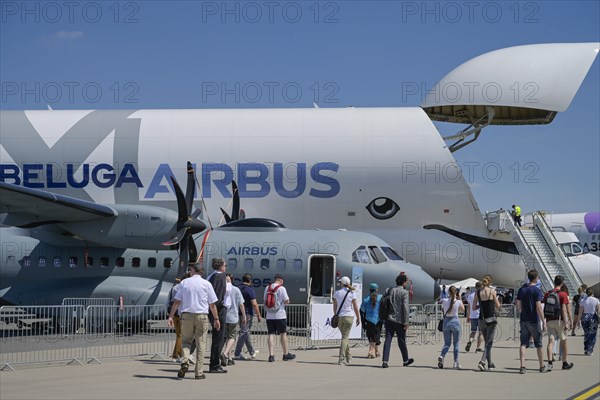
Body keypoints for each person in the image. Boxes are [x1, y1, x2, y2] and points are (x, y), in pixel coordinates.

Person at [167, 263, 220, 380]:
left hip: (186, 316)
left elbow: (176, 302)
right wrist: (216, 319)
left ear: (192, 270)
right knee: (201, 344)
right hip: (202, 316)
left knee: (186, 341)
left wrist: (171, 316)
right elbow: (212, 305)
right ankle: (199, 372)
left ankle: (185, 361)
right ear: (201, 272)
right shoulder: (207, 284)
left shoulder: (184, 283)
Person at [517, 270, 548, 374]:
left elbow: (518, 305)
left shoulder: (522, 290)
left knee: (523, 343)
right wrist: (543, 321)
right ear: (536, 278)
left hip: (524, 319)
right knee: (538, 344)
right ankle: (542, 366)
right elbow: (538, 307)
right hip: (534, 320)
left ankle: (522, 366)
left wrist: (522, 311)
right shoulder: (537, 291)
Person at [382, 274, 414, 368]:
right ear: (404, 283)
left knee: (388, 340)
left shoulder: (389, 290)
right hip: (400, 320)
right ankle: (405, 360)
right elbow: (405, 308)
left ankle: (385, 361)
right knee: (401, 340)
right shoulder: (404, 292)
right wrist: (406, 321)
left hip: (389, 319)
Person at [264, 274, 296, 362]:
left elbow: (264, 299)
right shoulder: (282, 288)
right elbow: (286, 301)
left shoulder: (267, 288)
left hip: (269, 315)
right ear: (281, 281)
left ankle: (271, 355)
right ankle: (286, 354)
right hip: (280, 315)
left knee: (271, 334)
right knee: (283, 334)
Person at [473, 275, 501, 371]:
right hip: (491, 319)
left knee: (487, 343)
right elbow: (498, 306)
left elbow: (473, 307)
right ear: (490, 282)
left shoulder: (477, 292)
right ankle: (482, 361)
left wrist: (480, 306)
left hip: (481, 319)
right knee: (489, 342)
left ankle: (490, 364)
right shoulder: (492, 291)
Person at [207, 257, 229, 373]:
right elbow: (218, 297)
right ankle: (214, 365)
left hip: (214, 310)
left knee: (219, 337)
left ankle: (214, 363)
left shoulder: (211, 276)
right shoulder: (220, 277)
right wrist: (217, 315)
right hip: (219, 311)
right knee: (218, 339)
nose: (226, 267)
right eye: (225, 265)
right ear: (221, 266)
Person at [332, 276, 360, 365]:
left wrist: (336, 315)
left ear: (342, 283)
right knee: (345, 338)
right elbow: (355, 307)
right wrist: (358, 317)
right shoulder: (352, 293)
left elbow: (335, 307)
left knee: (344, 337)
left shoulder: (336, 293)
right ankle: (342, 358)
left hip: (340, 317)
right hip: (349, 316)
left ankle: (347, 357)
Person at [234, 273, 262, 360]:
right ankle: (237, 353)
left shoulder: (237, 288)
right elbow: (254, 303)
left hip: (239, 312)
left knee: (245, 332)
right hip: (247, 313)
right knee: (244, 333)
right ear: (250, 281)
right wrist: (259, 315)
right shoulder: (249, 290)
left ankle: (252, 352)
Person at [221, 274, 246, 366]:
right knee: (232, 337)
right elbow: (241, 304)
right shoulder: (236, 289)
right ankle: (224, 354)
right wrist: (244, 316)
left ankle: (229, 357)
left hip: (223, 317)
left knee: (227, 337)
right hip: (233, 317)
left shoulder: (222, 289)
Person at [437, 285, 464, 369]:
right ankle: (455, 362)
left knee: (447, 343)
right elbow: (463, 310)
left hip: (446, 322)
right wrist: (459, 299)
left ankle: (442, 356)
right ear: (456, 293)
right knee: (456, 343)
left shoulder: (444, 300)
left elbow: (442, 309)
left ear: (448, 292)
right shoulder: (458, 302)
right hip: (455, 322)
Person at [360, 283, 383, 358]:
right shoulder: (380, 298)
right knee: (376, 337)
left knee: (372, 337)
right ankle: (370, 352)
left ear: (369, 290)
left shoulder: (366, 299)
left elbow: (362, 311)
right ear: (376, 289)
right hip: (378, 320)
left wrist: (363, 322)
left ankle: (376, 351)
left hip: (369, 320)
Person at [578, 287, 600, 356]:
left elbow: (580, 312)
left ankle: (586, 348)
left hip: (585, 317)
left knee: (586, 334)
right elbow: (598, 311)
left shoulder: (582, 300)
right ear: (592, 293)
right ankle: (590, 350)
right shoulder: (596, 300)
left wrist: (578, 320)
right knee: (592, 334)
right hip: (593, 317)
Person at [465, 282, 484, 353]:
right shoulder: (482, 295)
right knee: (481, 332)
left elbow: (469, 307)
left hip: (472, 316)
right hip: (480, 315)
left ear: (475, 287)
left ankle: (470, 341)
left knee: (473, 331)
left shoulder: (470, 296)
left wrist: (468, 316)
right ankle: (478, 347)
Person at [169, 276, 183, 361]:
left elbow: (170, 300)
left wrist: (170, 314)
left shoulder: (174, 288)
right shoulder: (183, 288)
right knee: (181, 335)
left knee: (179, 335)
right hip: (181, 313)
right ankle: (177, 355)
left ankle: (176, 354)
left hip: (174, 313)